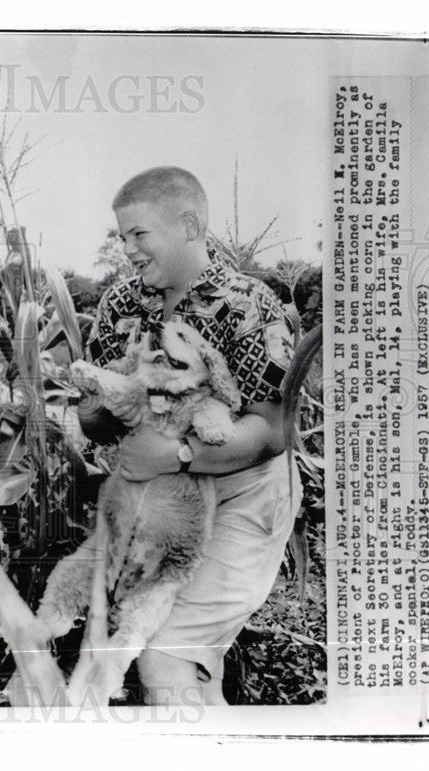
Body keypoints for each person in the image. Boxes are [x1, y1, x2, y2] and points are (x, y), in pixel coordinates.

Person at [82, 166, 303, 705]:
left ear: (187, 225)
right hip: (166, 502)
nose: (129, 249)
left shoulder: (250, 305)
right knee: (175, 659)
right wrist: (121, 406)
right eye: (122, 236)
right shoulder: (119, 305)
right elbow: (91, 414)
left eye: (140, 234)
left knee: (167, 656)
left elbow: (271, 432)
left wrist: (177, 453)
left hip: (243, 494)